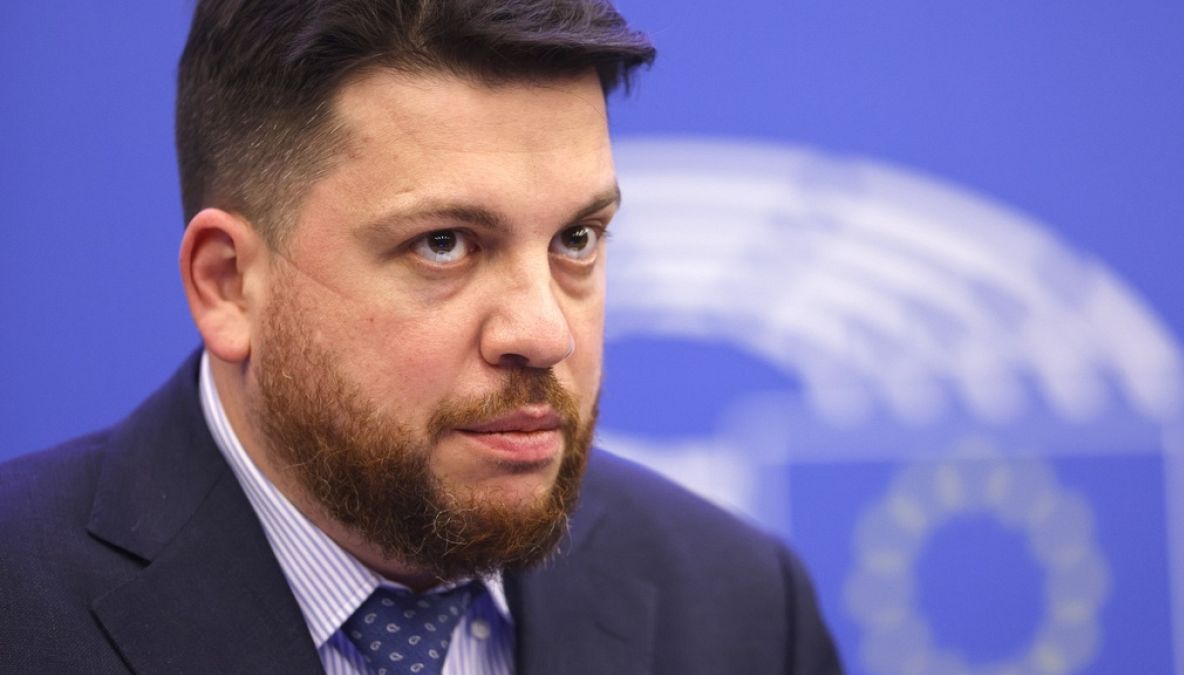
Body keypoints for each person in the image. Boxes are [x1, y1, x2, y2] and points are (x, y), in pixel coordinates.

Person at [0, 1, 841, 672]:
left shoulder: (740, 609)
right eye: (444, 243)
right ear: (228, 284)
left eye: (576, 239)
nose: (544, 332)